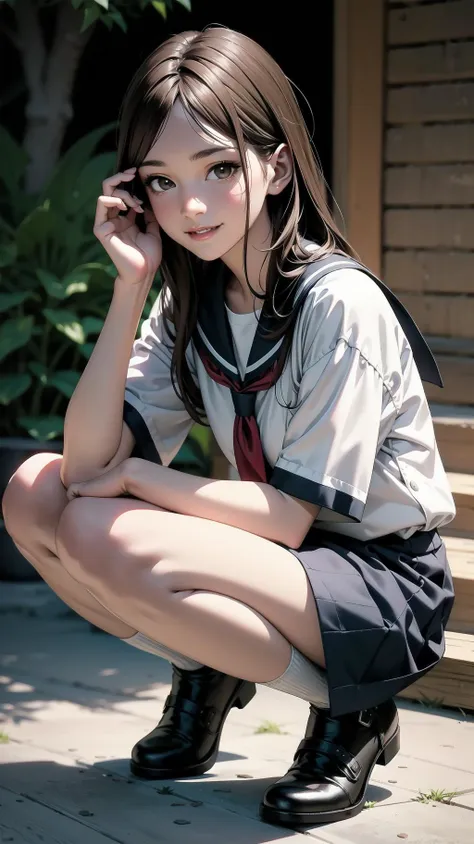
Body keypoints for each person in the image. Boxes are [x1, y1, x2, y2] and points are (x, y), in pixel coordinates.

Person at [3, 26, 456, 828]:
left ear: (276, 165)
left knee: (115, 534)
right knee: (34, 496)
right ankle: (206, 667)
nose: (192, 206)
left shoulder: (337, 304)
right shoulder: (192, 303)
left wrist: (142, 478)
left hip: (380, 585)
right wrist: (128, 287)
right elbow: (80, 466)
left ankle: (357, 714)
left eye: (217, 168)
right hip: (286, 562)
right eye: (163, 182)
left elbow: (285, 517)